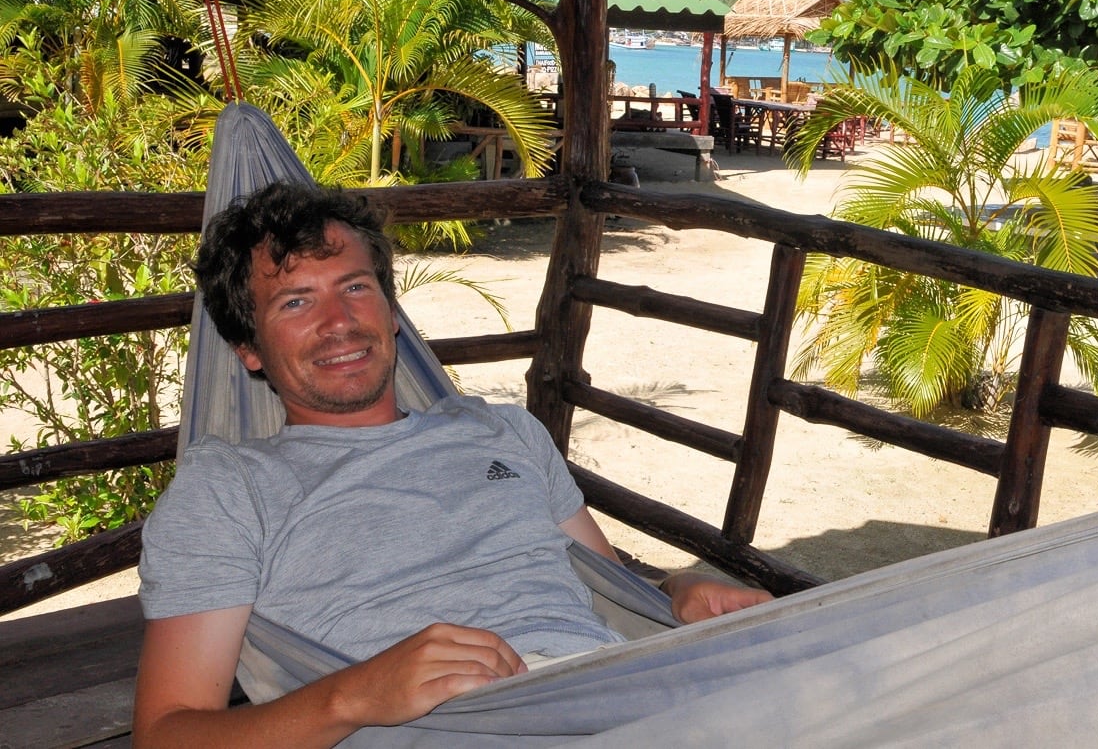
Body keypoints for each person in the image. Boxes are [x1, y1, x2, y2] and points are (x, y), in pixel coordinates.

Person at [133, 181, 771, 748]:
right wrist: (353, 695)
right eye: (295, 303)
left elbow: (609, 586)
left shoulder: (504, 431)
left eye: (356, 287)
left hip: (618, 698)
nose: (339, 323)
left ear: (390, 310)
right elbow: (166, 733)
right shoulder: (230, 490)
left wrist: (675, 593)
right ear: (248, 348)